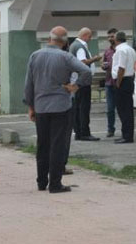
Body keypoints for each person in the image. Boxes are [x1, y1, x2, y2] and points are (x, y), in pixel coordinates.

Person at [23, 26, 92, 193]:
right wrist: (75, 86)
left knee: (43, 144)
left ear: (49, 39)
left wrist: (31, 107)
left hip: (40, 107)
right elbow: (86, 72)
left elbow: (29, 85)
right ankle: (55, 183)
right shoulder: (66, 57)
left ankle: (41, 182)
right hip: (61, 107)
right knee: (57, 145)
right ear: (65, 42)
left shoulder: (35, 56)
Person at [69, 28, 102, 142]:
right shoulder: (79, 47)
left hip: (77, 81)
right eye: (89, 36)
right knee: (84, 108)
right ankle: (84, 132)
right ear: (85, 35)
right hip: (82, 81)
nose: (90, 39)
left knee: (78, 108)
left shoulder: (74, 45)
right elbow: (82, 62)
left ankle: (78, 132)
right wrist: (94, 59)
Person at [112, 31, 136, 144]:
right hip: (129, 79)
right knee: (128, 109)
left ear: (117, 39)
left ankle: (126, 136)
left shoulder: (121, 50)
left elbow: (121, 68)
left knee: (123, 110)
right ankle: (127, 134)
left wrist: (118, 83)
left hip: (122, 80)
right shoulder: (130, 49)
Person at [101, 28, 118, 138]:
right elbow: (103, 63)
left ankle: (127, 129)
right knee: (110, 108)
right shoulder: (107, 51)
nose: (110, 39)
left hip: (120, 82)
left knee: (122, 108)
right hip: (109, 83)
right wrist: (103, 65)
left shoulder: (122, 49)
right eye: (109, 37)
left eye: (112, 36)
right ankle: (110, 129)